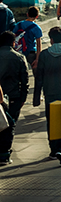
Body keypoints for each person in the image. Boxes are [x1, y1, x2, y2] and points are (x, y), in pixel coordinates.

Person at [32, 26, 61, 161]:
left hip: (50, 92)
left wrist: (36, 96)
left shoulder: (45, 55)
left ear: (51, 40)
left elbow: (39, 76)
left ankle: (54, 148)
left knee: (52, 120)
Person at [0, 31, 29, 163]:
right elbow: (25, 80)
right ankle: (4, 153)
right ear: (13, 43)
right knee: (9, 125)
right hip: (13, 96)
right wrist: (23, 97)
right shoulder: (19, 57)